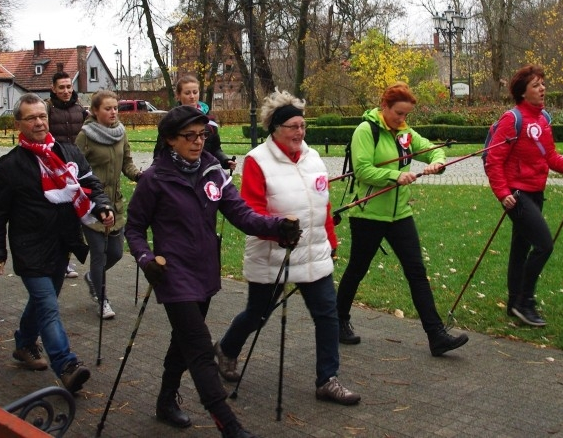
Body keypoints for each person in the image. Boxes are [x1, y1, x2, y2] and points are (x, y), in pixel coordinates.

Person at [126, 105, 299, 438]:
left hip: (205, 270)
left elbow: (242, 214)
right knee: (201, 347)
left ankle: (165, 400)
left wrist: (278, 227)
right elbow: (133, 228)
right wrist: (146, 258)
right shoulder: (155, 178)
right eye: (189, 136)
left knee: (184, 341)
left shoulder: (212, 171)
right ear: (170, 140)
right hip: (172, 273)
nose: (197, 142)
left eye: (202, 135)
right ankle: (228, 424)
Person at [215, 91, 360, 405]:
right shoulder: (258, 161)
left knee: (327, 315)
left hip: (313, 252)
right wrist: (278, 229)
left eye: (303, 126)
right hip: (273, 254)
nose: (299, 132)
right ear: (275, 129)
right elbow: (250, 211)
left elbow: (323, 204)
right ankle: (226, 350)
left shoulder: (313, 158)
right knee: (258, 315)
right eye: (293, 127)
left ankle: (327, 379)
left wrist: (331, 242)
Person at [0, 94, 114, 394]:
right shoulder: (9, 166)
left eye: (42, 116)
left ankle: (25, 344)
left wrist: (102, 206)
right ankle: (66, 364)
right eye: (31, 118)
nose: (39, 122)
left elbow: (91, 184)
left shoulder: (68, 152)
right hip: (29, 248)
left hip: (61, 245)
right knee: (48, 305)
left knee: (42, 303)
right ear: (18, 123)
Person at [335, 83, 469, 357]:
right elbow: (362, 171)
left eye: (406, 115)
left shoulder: (405, 133)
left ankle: (436, 336)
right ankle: (337, 320)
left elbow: (432, 150)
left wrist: (437, 162)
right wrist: (395, 176)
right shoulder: (366, 130)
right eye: (398, 113)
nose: (402, 119)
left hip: (400, 215)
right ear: (384, 107)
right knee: (357, 269)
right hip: (368, 214)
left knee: (416, 271)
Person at [484, 64, 563, 327]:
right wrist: (502, 193)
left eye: (543, 83)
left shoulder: (543, 119)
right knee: (544, 244)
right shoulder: (513, 119)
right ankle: (525, 302)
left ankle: (514, 303)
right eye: (536, 85)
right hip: (517, 195)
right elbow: (494, 161)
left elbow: (551, 157)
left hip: (536, 193)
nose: (542, 88)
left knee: (521, 248)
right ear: (523, 92)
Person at [74, 90, 142, 319]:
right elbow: (74, 168)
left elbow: (128, 163)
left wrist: (139, 176)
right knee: (99, 254)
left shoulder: (121, 134)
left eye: (115, 108)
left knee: (115, 253)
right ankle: (102, 299)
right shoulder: (85, 136)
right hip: (92, 205)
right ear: (95, 111)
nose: (113, 112)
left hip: (115, 204)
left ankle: (93, 277)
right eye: (107, 108)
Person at [46, 71, 88, 279]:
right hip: (55, 165)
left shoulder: (79, 109)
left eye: (68, 87)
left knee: (75, 210)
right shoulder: (48, 108)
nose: (65, 91)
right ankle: (61, 257)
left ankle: (69, 253)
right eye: (61, 87)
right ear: (53, 88)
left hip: (77, 164)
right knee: (59, 211)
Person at [174, 75, 235, 172]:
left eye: (195, 92)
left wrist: (225, 161)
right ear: (178, 96)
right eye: (187, 93)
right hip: (179, 173)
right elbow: (160, 154)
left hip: (206, 173)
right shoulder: (172, 121)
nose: (192, 97)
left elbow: (215, 149)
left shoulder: (210, 121)